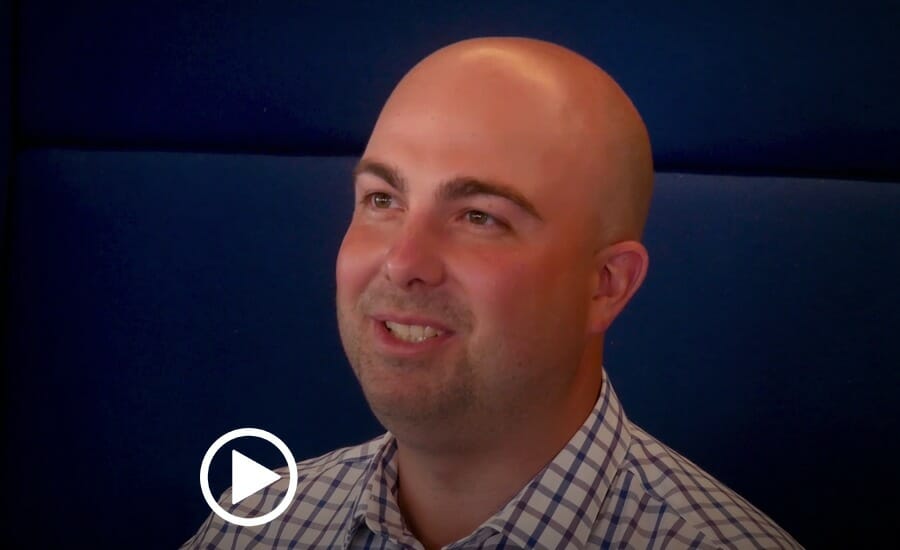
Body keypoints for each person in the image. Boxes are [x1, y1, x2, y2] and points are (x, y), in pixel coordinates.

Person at [182, 37, 801, 549]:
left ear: (604, 286)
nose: (403, 263)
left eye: (479, 216)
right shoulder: (254, 528)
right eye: (381, 200)